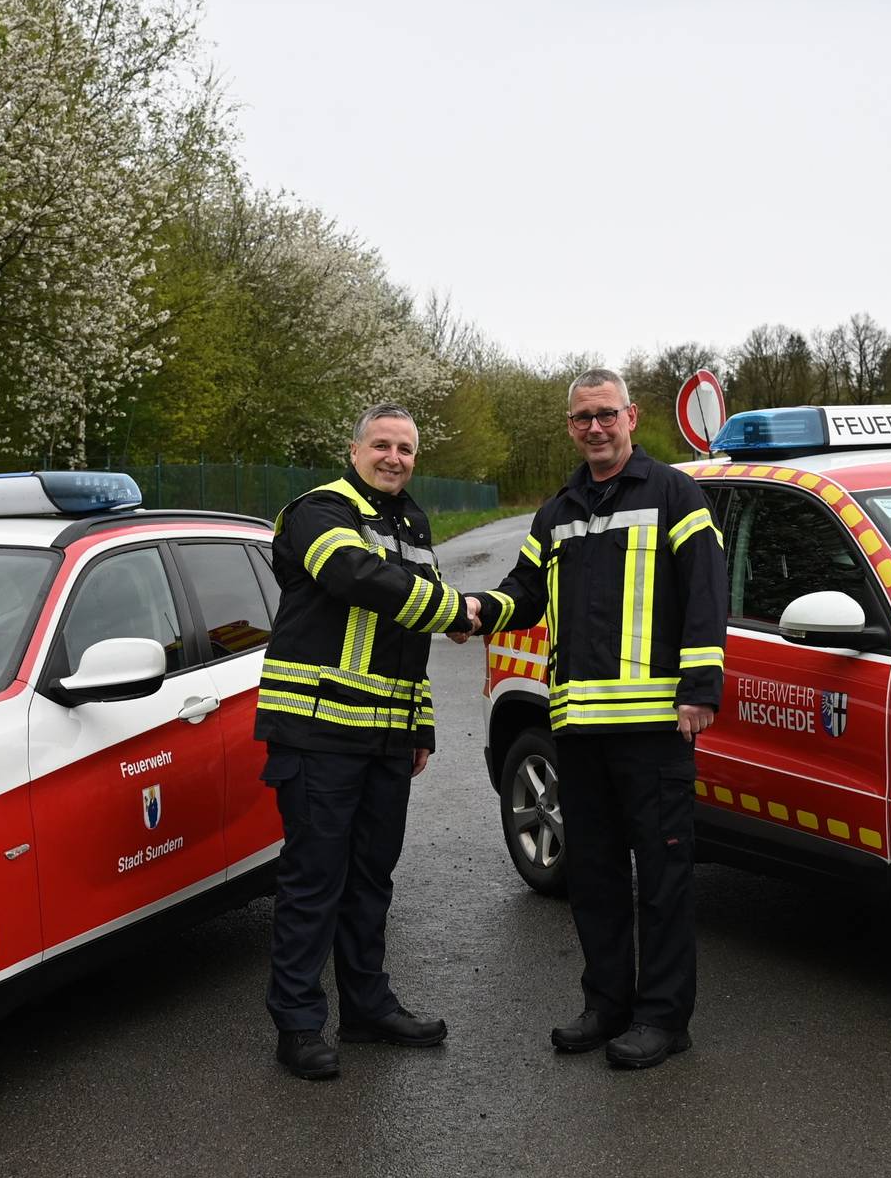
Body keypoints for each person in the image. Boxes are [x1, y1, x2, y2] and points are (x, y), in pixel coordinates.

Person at [467, 368, 725, 1069]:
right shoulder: (557, 511)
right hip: (578, 730)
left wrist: (700, 689)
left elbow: (705, 593)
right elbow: (523, 590)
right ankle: (606, 1005)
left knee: (665, 880)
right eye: (582, 418)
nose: (594, 428)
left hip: (654, 730)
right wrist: (477, 612)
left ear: (631, 417)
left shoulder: (675, 494)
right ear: (571, 426)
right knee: (597, 876)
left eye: (605, 414)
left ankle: (665, 1019)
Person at [255, 403, 477, 1080]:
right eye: (381, 445)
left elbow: (408, 639)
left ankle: (367, 1008)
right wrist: (452, 610)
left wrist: (421, 726)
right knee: (313, 882)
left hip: (384, 739)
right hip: (318, 733)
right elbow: (353, 577)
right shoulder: (318, 510)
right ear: (353, 452)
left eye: (406, 448)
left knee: (371, 881)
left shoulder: (409, 519)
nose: (394, 457)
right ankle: (297, 1026)